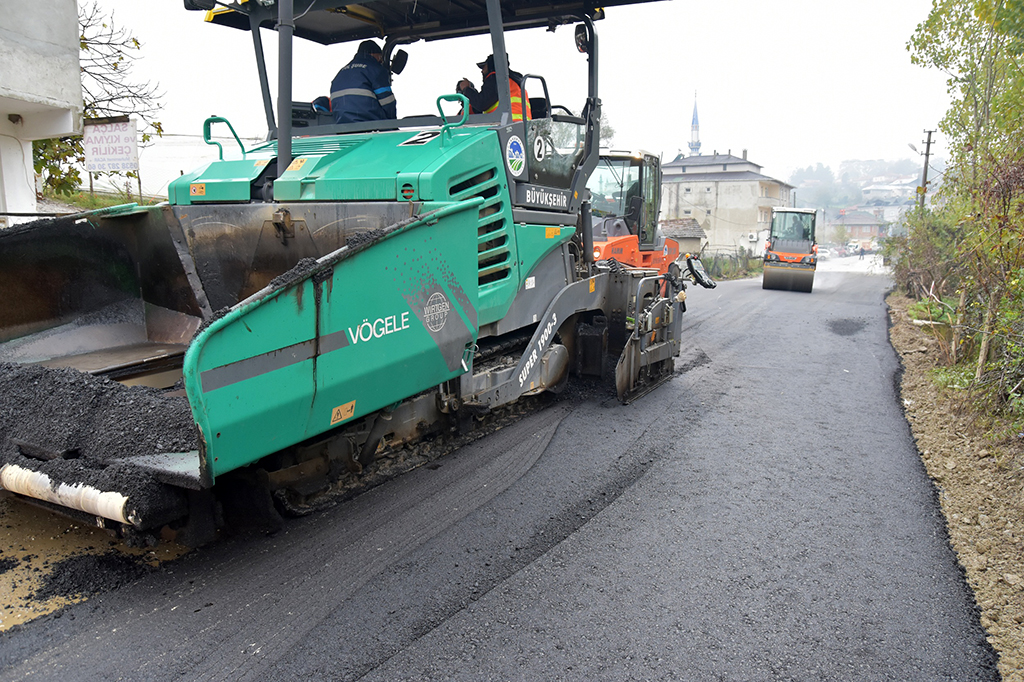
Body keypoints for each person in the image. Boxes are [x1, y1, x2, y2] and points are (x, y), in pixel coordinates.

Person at [330, 40, 396, 124]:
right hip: (370, 123)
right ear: (374, 55)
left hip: (343, 124)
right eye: (380, 57)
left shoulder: (341, 73)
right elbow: (387, 102)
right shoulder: (376, 69)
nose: (380, 61)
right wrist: (392, 123)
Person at [456, 54, 531, 121]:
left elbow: (482, 103)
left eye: (483, 67)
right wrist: (472, 92)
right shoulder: (512, 82)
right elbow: (483, 102)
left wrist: (466, 89)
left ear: (491, 66)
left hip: (506, 124)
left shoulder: (496, 79)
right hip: (518, 124)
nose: (482, 71)